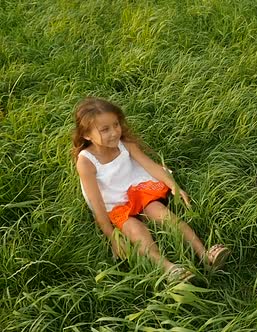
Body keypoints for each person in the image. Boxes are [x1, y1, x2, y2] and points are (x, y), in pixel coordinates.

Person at [72, 97, 229, 280]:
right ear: (87, 135)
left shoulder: (125, 145)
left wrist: (174, 187)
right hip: (114, 203)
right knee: (136, 232)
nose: (115, 132)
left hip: (136, 189)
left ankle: (204, 254)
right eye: (105, 130)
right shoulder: (86, 161)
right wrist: (111, 235)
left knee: (163, 214)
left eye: (116, 125)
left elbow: (150, 166)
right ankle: (169, 269)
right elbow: (96, 201)